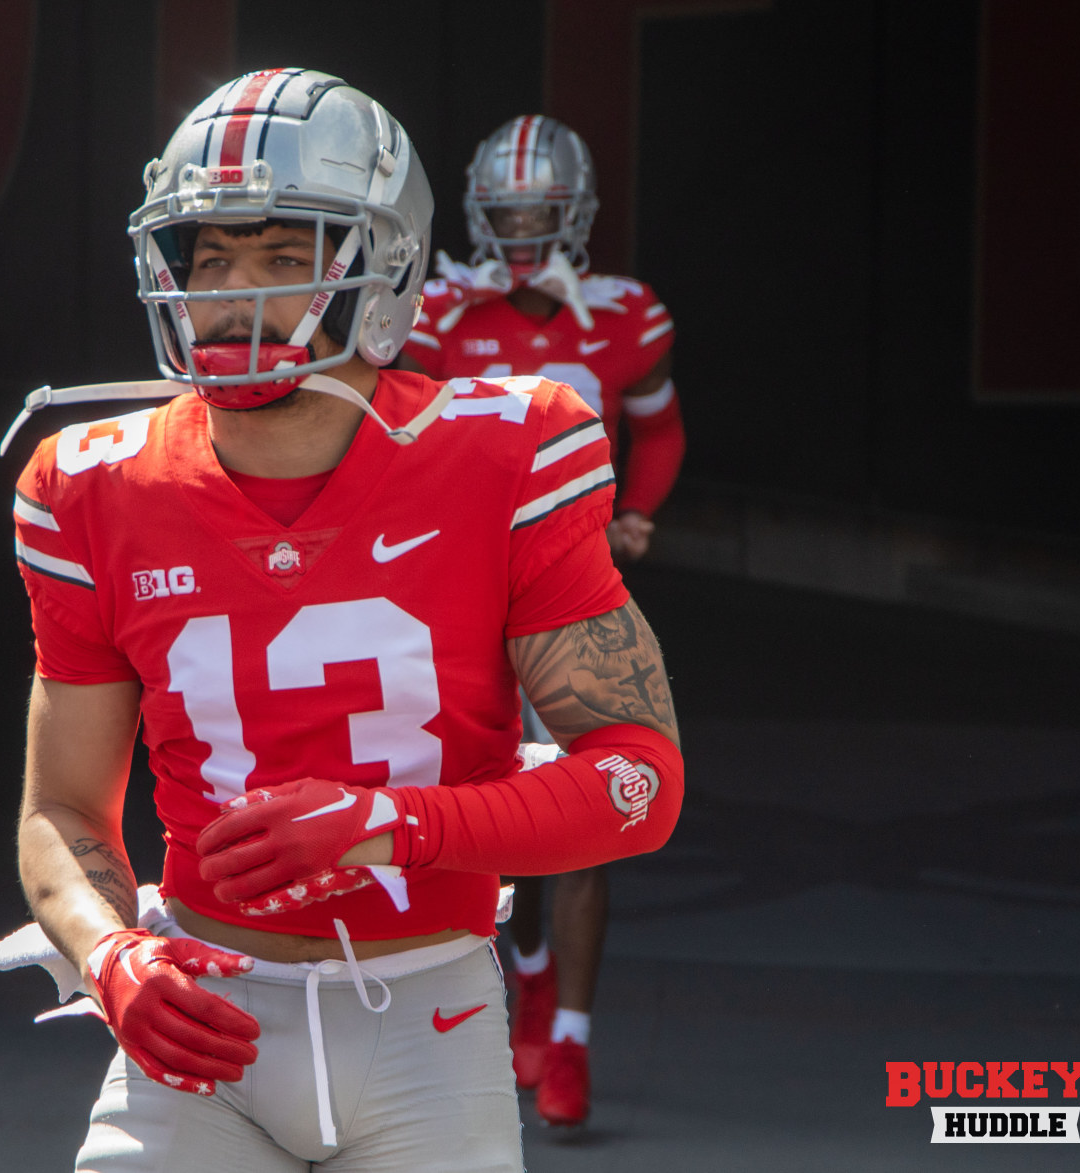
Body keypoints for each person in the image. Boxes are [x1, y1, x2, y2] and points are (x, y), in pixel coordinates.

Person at [7, 70, 682, 1172]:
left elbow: (638, 783)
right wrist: (108, 955)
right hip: (204, 1020)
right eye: (209, 256)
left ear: (383, 270)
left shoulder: (511, 451)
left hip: (432, 1025)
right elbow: (63, 811)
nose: (232, 294)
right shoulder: (89, 484)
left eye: (285, 257)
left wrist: (395, 825)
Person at [402, 114, 687, 1127]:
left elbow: (658, 425)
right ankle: (525, 965)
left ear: (577, 214)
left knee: (590, 814)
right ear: (479, 213)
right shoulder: (435, 311)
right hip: (465, 590)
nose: (522, 228)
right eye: (507, 211)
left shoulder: (624, 315)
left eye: (540, 211)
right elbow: (396, 438)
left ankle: (569, 1042)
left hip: (571, 590)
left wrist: (640, 514)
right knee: (482, 807)